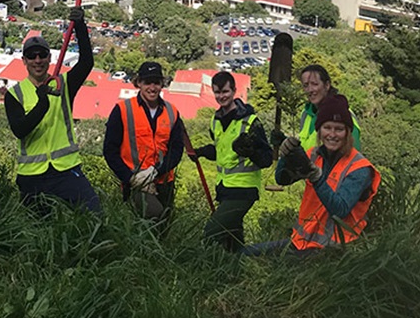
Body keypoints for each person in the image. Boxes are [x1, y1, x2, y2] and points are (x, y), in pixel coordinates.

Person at [242, 94, 380, 256]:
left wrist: (316, 178)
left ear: (348, 133)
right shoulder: (314, 155)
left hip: (334, 248)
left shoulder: (359, 168)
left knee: (280, 267)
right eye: (327, 128)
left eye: (339, 129)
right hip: (303, 240)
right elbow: (283, 179)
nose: (332, 134)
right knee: (245, 254)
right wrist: (286, 155)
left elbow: (340, 209)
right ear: (319, 131)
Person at [4, 6, 100, 214]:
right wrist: (41, 105)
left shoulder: (63, 84)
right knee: (37, 232)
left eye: (42, 55)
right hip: (32, 175)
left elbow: (86, 63)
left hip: (66, 169)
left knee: (94, 216)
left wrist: (80, 26)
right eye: (32, 56)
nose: (37, 60)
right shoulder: (15, 94)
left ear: (49, 58)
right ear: (25, 61)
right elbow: (19, 130)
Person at [191, 71, 273, 251]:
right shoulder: (215, 120)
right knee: (232, 240)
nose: (221, 96)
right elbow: (221, 151)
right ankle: (236, 275)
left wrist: (251, 151)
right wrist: (201, 152)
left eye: (225, 92)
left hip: (243, 190)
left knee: (212, 233)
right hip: (224, 188)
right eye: (218, 93)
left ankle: (212, 274)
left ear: (234, 91)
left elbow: (267, 159)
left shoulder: (251, 122)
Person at [102, 61, 186, 224]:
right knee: (154, 216)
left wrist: (156, 171)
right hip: (135, 182)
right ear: (139, 83)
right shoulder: (122, 110)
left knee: (164, 227)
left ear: (162, 84)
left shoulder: (172, 111)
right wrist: (132, 178)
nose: (152, 87)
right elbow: (110, 151)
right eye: (148, 82)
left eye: (156, 82)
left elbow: (176, 149)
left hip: (164, 181)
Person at [295, 65, 361, 152]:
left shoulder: (344, 115)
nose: (309, 90)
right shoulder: (306, 113)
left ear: (327, 85)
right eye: (305, 85)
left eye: (314, 84)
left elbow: (352, 156)